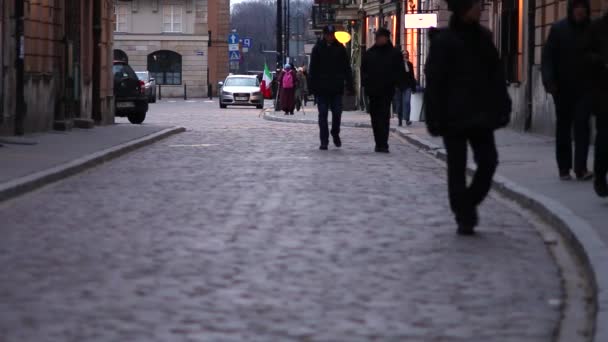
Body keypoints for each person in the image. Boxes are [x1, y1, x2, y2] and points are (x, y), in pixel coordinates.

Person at [424, 0, 511, 235]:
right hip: (452, 116)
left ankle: (466, 203)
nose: (481, 8)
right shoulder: (444, 42)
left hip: (481, 114)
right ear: (464, 9)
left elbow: (496, 75)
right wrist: (433, 116)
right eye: (477, 5)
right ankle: (464, 216)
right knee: (457, 167)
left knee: (488, 162)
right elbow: (434, 83)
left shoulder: (484, 37)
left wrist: (503, 105)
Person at [542, 0, 593, 181]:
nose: (580, 11)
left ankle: (581, 168)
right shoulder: (558, 29)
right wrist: (549, 81)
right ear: (571, 9)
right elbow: (547, 57)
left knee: (582, 126)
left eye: (583, 8)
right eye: (577, 7)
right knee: (563, 128)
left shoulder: (593, 30)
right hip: (562, 88)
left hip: (585, 89)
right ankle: (564, 168)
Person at [361, 28, 407, 153]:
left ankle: (384, 143)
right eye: (378, 37)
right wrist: (366, 85)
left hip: (387, 90)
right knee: (375, 118)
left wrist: (399, 84)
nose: (379, 39)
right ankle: (378, 142)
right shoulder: (369, 53)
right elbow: (363, 71)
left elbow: (400, 71)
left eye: (381, 37)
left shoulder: (394, 54)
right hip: (373, 91)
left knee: (384, 116)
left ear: (387, 38)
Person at [308, 25, 354, 150]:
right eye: (328, 34)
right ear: (324, 35)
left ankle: (335, 132)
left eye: (332, 34)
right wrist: (311, 87)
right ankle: (324, 140)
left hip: (336, 87)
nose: (330, 37)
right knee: (322, 114)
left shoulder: (340, 49)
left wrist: (350, 85)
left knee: (337, 113)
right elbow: (313, 69)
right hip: (322, 88)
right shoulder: (317, 49)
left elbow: (346, 68)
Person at [584, 9, 608, 196]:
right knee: (604, 137)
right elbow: (584, 55)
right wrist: (602, 61)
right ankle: (600, 177)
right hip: (602, 91)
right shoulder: (596, 27)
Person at [399, 50, 417, 126]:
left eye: (406, 54)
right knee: (400, 104)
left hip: (408, 87)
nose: (405, 56)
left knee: (407, 102)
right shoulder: (398, 64)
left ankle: (407, 119)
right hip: (399, 87)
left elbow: (412, 76)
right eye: (403, 54)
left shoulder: (410, 64)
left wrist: (413, 87)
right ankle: (400, 121)